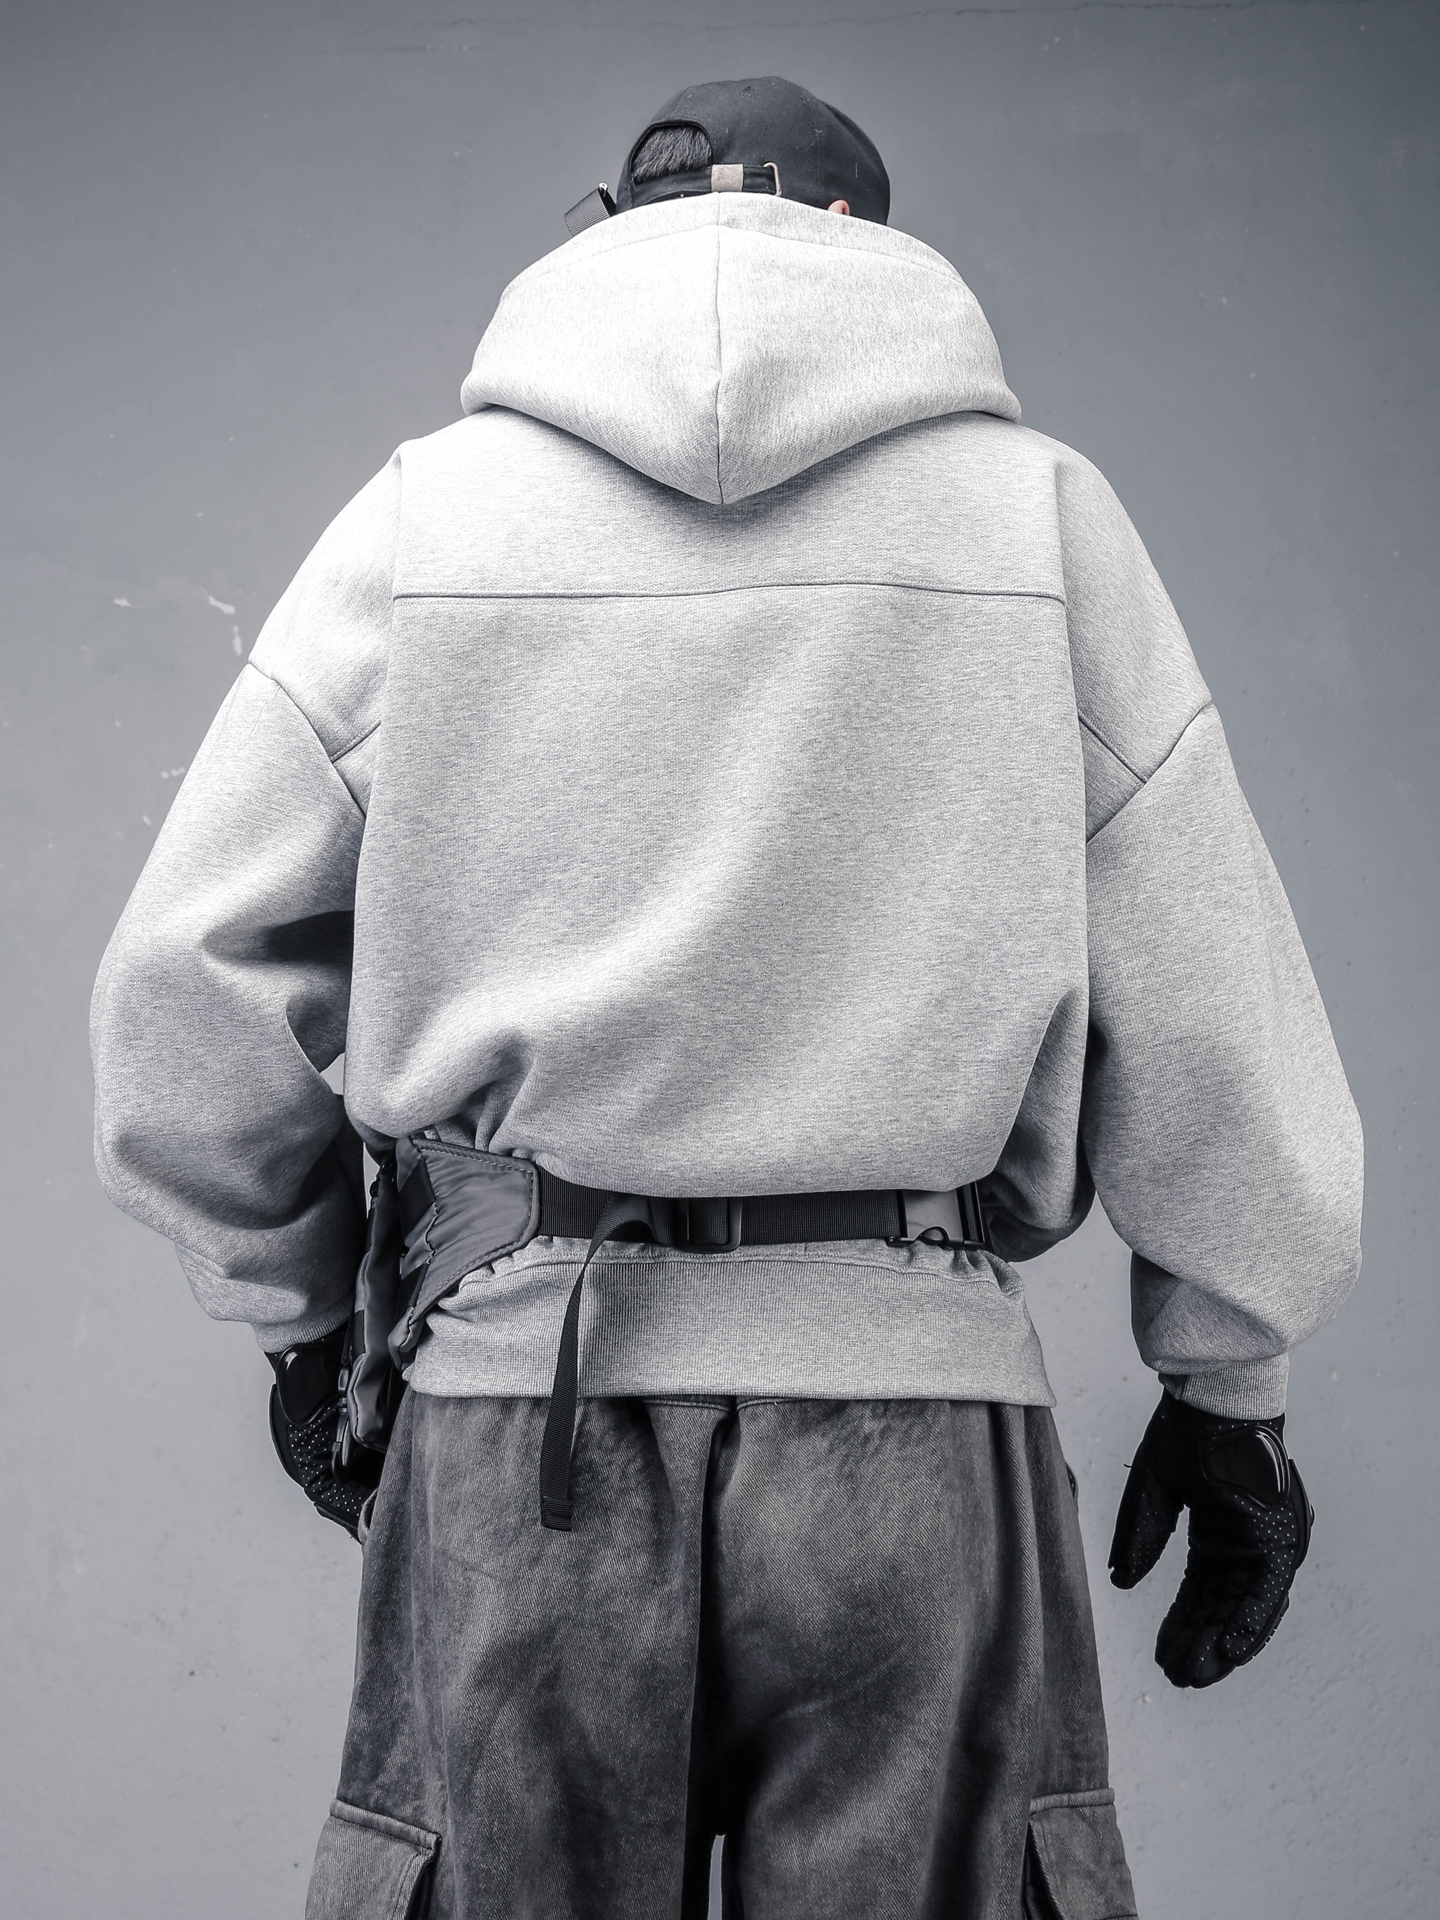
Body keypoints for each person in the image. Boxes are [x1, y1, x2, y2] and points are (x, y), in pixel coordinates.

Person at [91, 75, 1362, 1920]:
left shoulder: (428, 523)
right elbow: (1209, 985)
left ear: (613, 227)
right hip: (915, 1443)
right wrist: (1230, 1382)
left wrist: (299, 1323)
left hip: (524, 1427)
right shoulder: (1040, 526)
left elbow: (185, 977)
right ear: (863, 242)